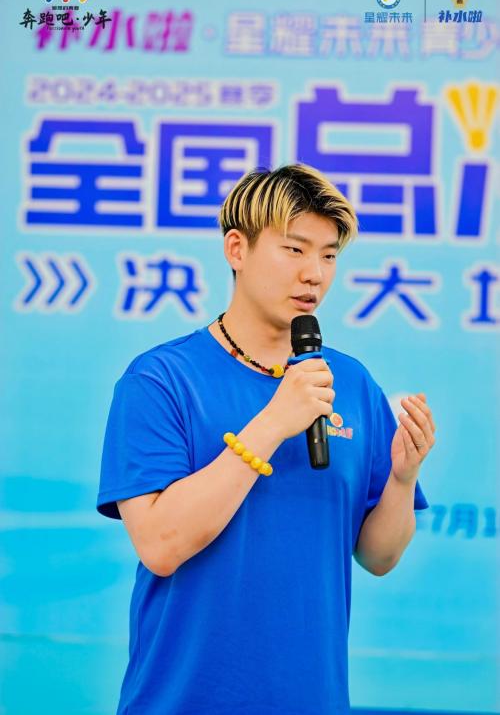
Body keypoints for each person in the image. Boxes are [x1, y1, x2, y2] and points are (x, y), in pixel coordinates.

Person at [97, 163, 434, 715]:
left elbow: (379, 556)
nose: (314, 274)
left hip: (313, 699)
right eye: (294, 250)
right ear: (237, 248)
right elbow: (160, 545)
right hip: (185, 700)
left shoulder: (350, 383)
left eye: (329, 256)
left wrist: (402, 478)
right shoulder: (160, 380)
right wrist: (274, 422)